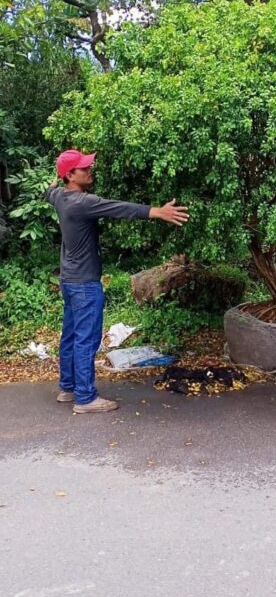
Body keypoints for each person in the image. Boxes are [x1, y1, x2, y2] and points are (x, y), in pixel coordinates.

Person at [44, 149, 190, 414]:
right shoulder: (81, 202)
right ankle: (86, 399)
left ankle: (68, 388)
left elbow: (49, 191)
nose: (89, 170)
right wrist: (157, 212)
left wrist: (53, 182)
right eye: (83, 168)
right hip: (85, 284)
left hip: (69, 280)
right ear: (70, 175)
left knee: (71, 336)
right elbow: (119, 208)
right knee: (85, 340)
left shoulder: (59, 197)